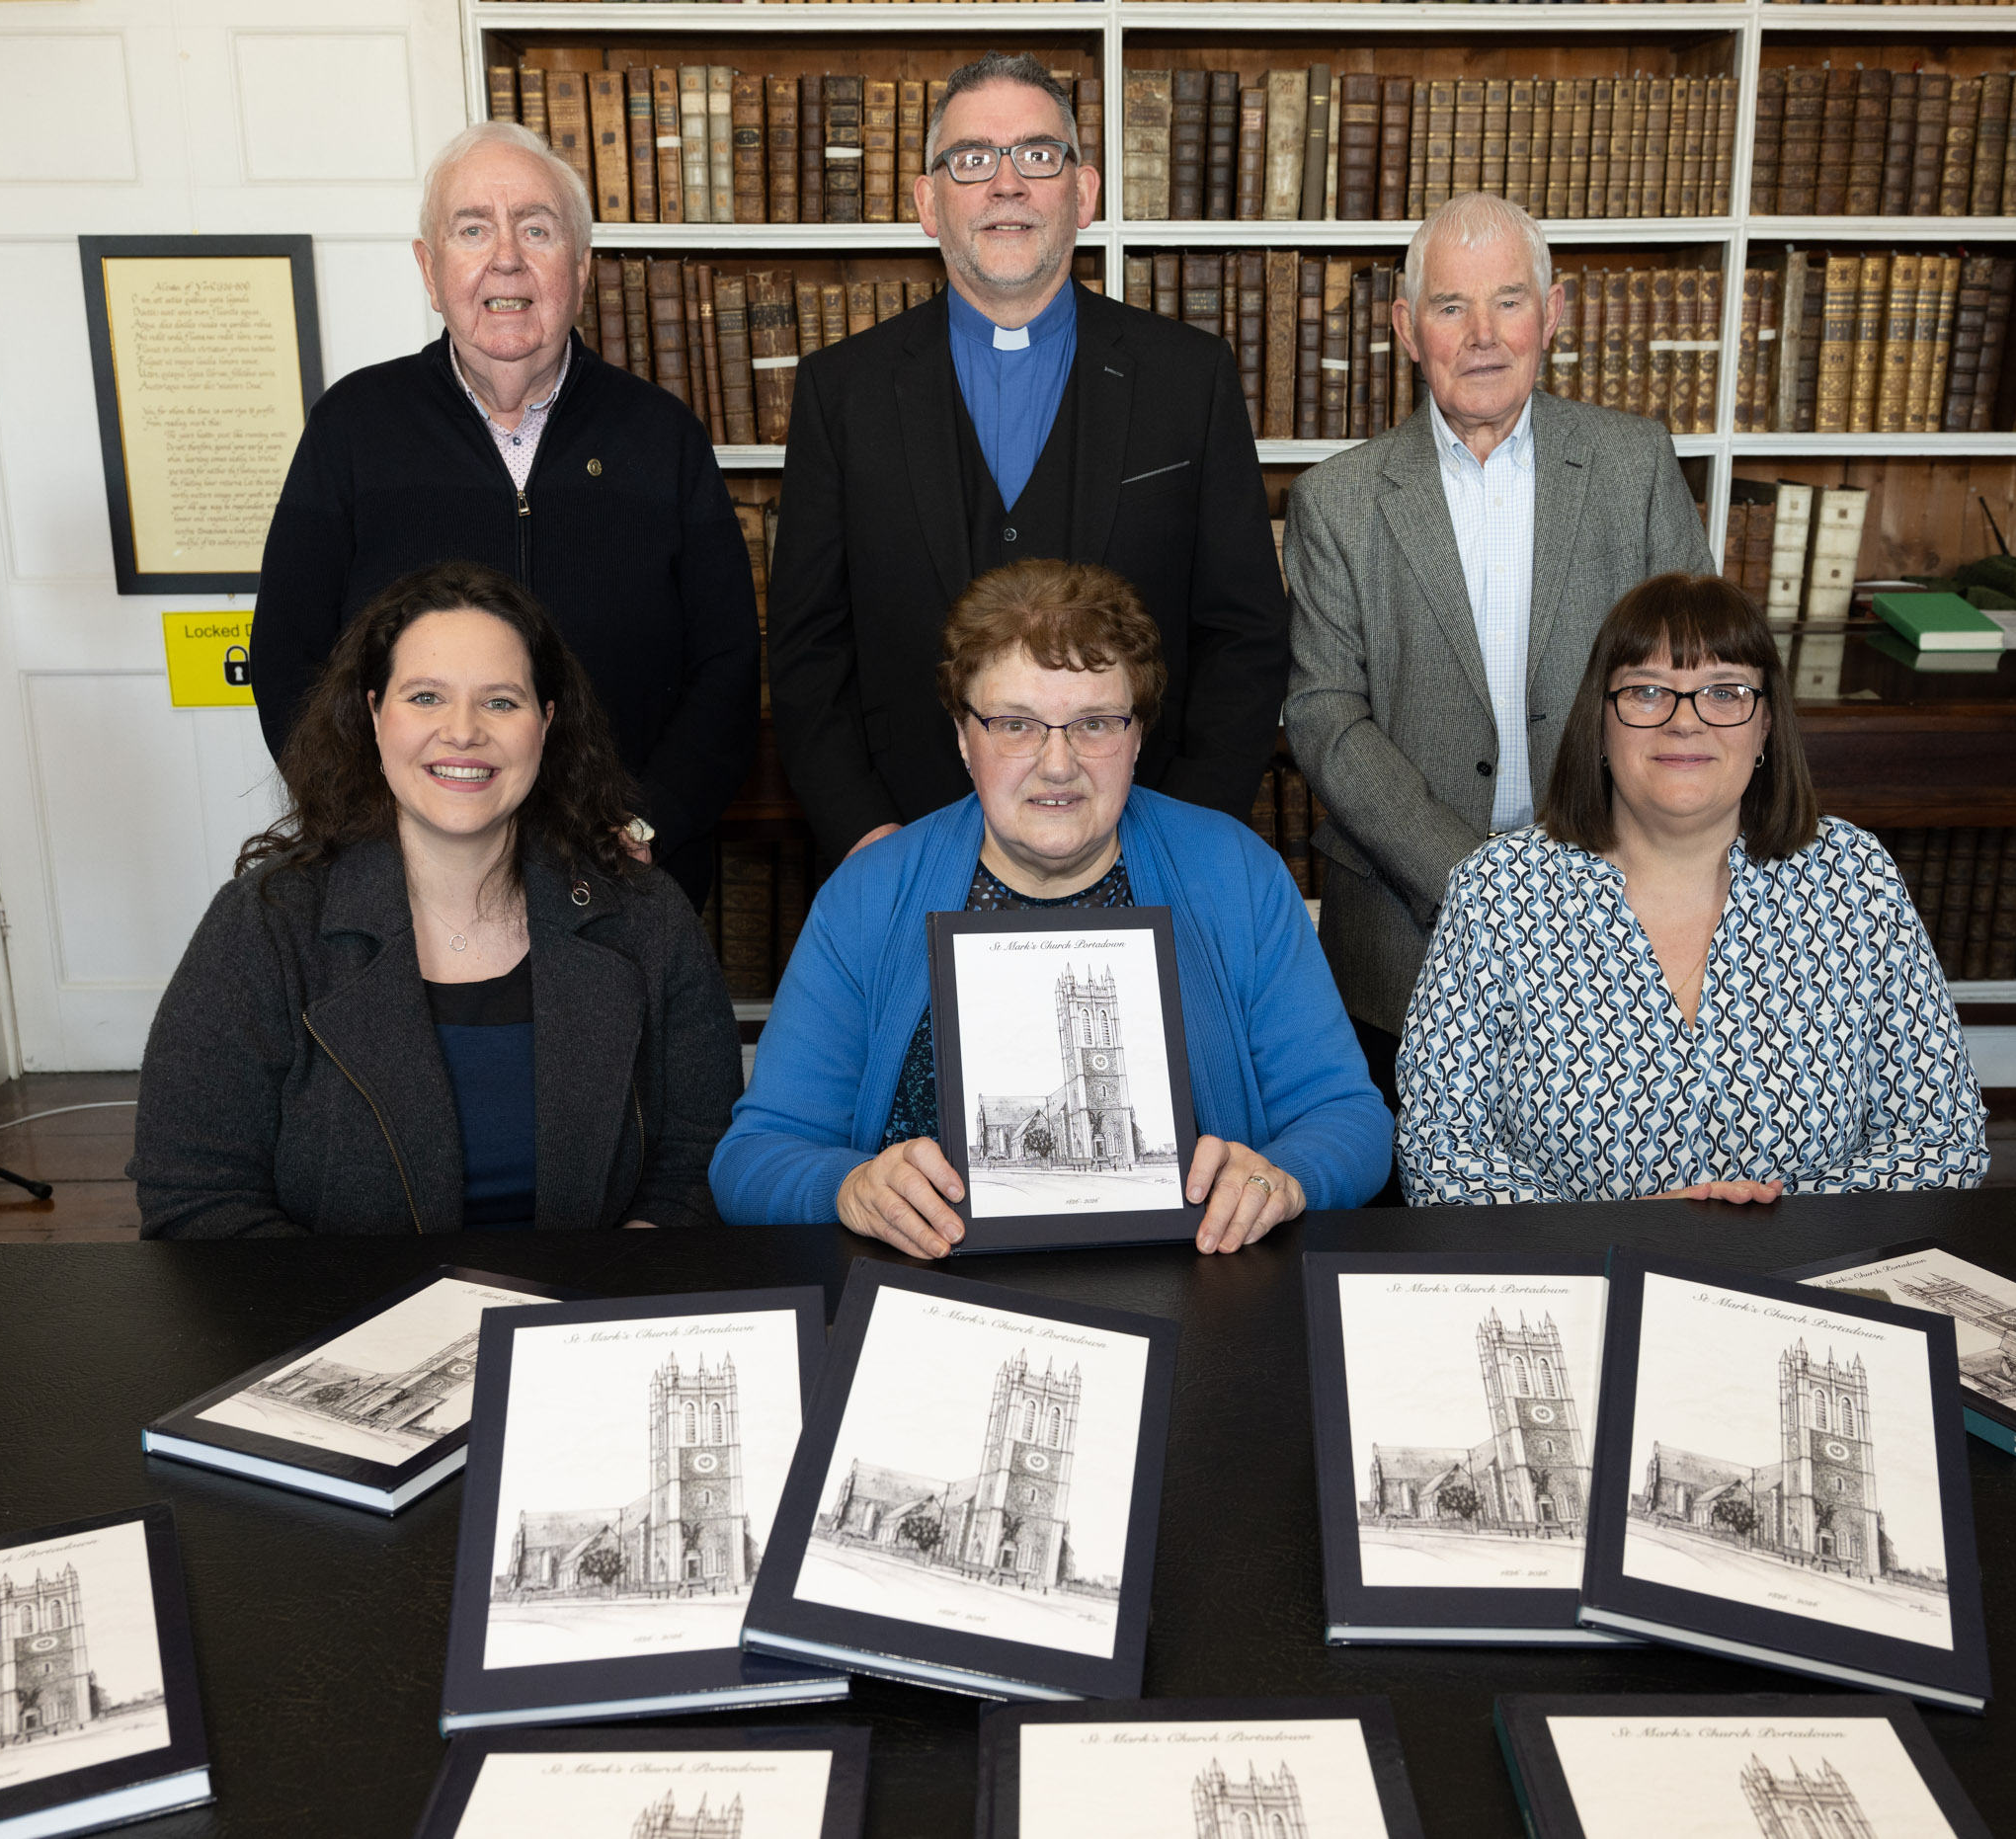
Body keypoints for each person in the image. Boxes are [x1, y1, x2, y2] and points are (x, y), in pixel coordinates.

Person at [713, 559, 1389, 1253]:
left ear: (1137, 737)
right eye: (1016, 725)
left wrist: (1285, 1177)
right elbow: (753, 1159)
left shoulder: (1236, 874)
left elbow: (1348, 1119)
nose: (1058, 764)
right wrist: (846, 1186)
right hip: (932, 1301)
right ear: (962, 737)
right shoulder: (869, 895)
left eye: (1095, 724)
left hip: (1195, 1295)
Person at [767, 51, 1289, 871]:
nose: (1006, 184)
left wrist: (1180, 836)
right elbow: (807, 650)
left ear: (1082, 194)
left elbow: (1245, 636)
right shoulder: (844, 391)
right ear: (927, 204)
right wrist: (868, 837)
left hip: (1146, 849)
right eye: (972, 160)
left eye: (1038, 155)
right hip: (910, 850)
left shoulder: (1190, 378)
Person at [130, 562, 741, 1237]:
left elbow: (700, 1159)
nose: (462, 732)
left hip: (580, 1322)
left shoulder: (649, 917)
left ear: (546, 722)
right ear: (373, 713)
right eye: (425, 697)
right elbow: (194, 1197)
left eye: (500, 702)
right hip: (341, 1327)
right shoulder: (263, 925)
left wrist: (616, 1288)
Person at [1283, 192, 1715, 1135]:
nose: (1483, 335)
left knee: (1604, 1227)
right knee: (1411, 1247)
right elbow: (1324, 716)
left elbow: (1690, 681)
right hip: (1405, 935)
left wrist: (1594, 879)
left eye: (1508, 301)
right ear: (1406, 327)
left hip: (1620, 920)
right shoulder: (1337, 501)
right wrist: (1475, 883)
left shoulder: (1633, 466)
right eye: (1450, 307)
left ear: (1553, 312)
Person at [252, 120, 759, 904]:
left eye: (536, 228)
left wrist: (647, 826)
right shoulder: (354, 427)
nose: (507, 258)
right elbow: (289, 654)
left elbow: (727, 664)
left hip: (621, 874)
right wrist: (369, 829)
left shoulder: (663, 437)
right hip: (408, 870)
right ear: (430, 269)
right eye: (473, 229)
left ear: (582, 268)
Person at [1397, 572, 1988, 1204]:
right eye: (1648, 691)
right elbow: (1439, 1149)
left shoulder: (1852, 876)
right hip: (1579, 1283)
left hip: (1804, 1284)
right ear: (1599, 723)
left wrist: (1759, 1231)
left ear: (1765, 727)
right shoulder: (1499, 889)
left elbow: (1943, 1143)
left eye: (1725, 692)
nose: (1685, 722)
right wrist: (1626, 1232)